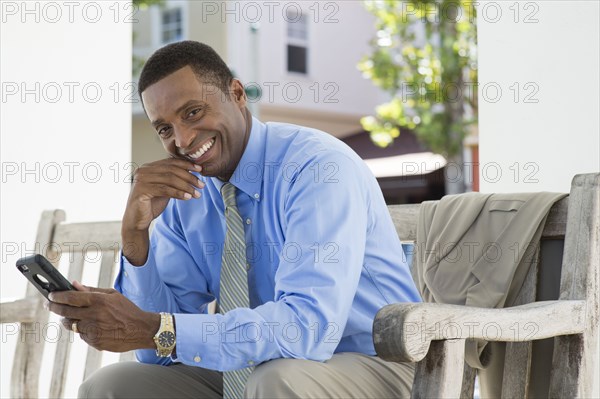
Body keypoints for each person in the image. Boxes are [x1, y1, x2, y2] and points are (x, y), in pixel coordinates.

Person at [47, 40, 420, 398]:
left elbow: (308, 329)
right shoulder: (186, 195)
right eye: (165, 129)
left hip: (381, 365)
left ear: (238, 94)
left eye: (193, 112)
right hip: (262, 368)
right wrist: (135, 235)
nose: (184, 139)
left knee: (278, 380)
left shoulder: (317, 168)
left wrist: (156, 328)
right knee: (112, 386)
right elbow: (156, 349)